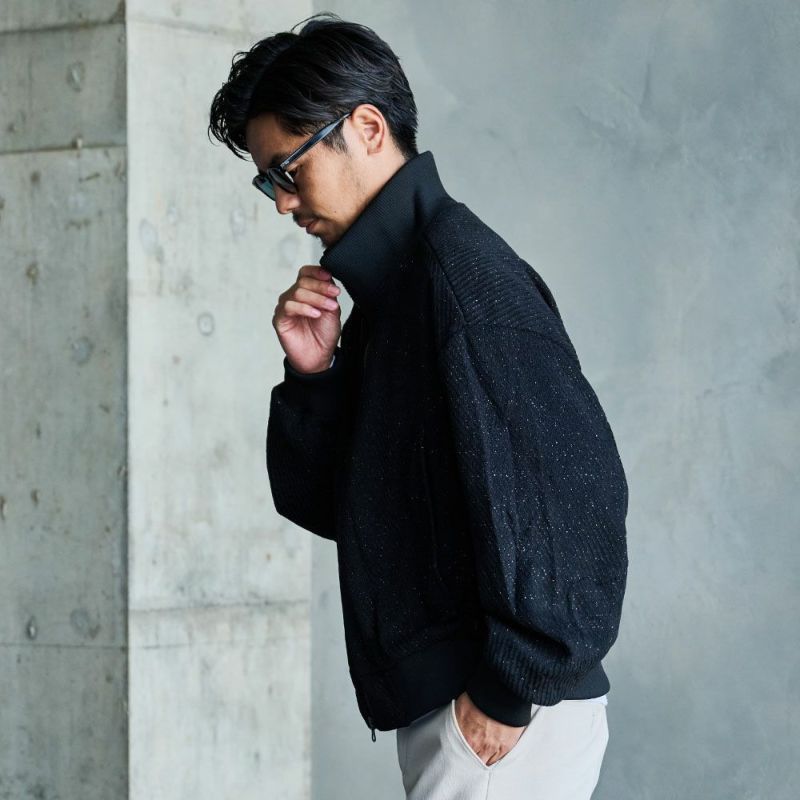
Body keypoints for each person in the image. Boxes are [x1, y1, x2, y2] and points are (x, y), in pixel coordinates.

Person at [208, 12, 628, 799]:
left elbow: (578, 499)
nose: (281, 205)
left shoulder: (461, 283)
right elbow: (343, 510)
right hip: (474, 707)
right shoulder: (395, 295)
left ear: (366, 129)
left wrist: (503, 696)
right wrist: (314, 377)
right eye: (269, 181)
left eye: (288, 171)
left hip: (504, 715)